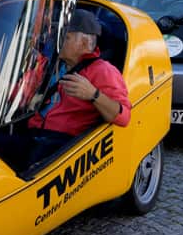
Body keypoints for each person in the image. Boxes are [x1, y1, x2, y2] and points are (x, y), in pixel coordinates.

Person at [25, 9, 131, 161]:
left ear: (84, 43)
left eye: (65, 37)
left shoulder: (103, 71)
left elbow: (124, 117)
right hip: (34, 133)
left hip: (61, 146)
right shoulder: (50, 64)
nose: (58, 41)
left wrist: (93, 94)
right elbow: (23, 95)